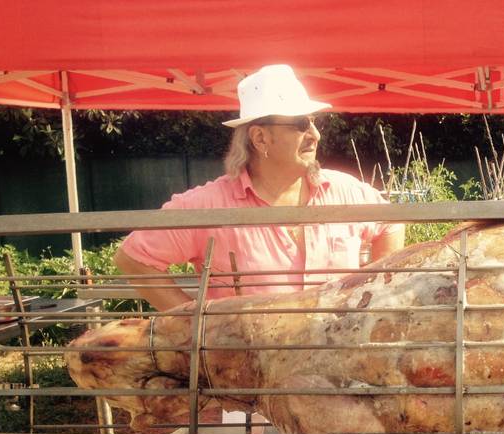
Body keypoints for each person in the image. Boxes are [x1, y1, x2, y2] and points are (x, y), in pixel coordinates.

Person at [114, 64, 405, 310]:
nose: (314, 134)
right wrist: (194, 323)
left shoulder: (344, 191)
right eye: (301, 124)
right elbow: (133, 259)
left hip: (337, 368)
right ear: (260, 138)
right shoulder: (209, 206)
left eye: (314, 123)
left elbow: (391, 223)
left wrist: (374, 292)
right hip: (248, 372)